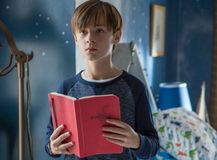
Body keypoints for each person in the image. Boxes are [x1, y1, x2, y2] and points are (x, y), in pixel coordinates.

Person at [45, 0, 159, 159]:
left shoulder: (134, 87)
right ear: (75, 39)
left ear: (116, 36)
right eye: (83, 32)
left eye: (99, 30)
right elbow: (50, 141)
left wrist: (136, 140)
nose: (89, 38)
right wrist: (53, 147)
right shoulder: (66, 87)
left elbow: (152, 147)